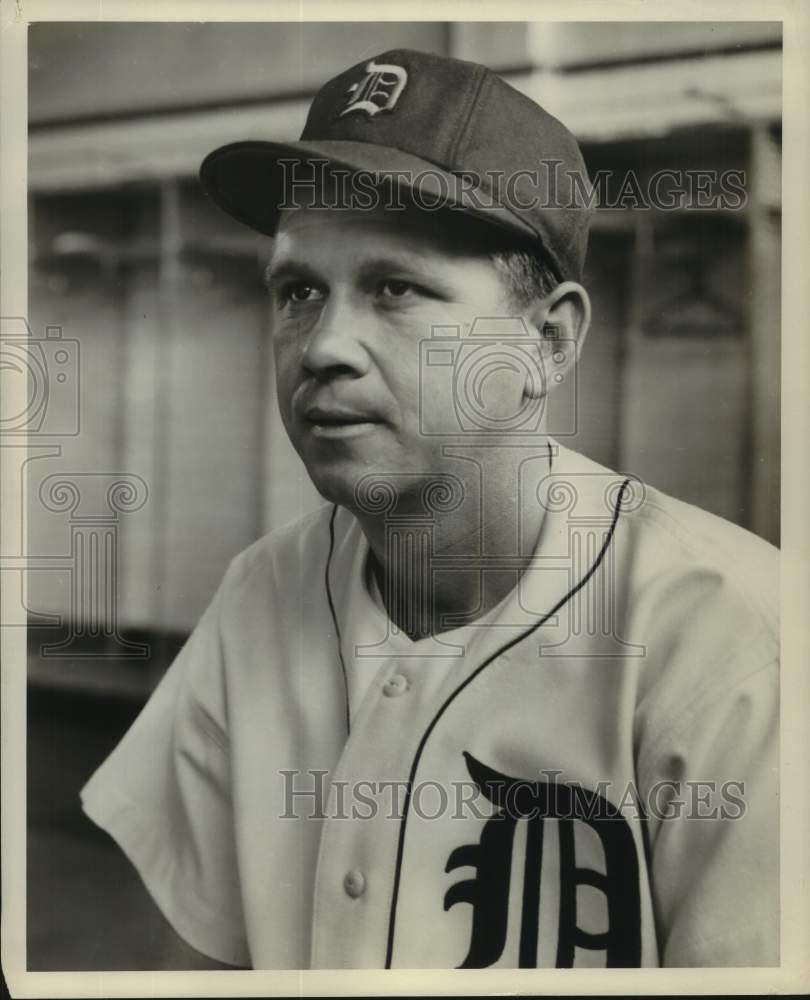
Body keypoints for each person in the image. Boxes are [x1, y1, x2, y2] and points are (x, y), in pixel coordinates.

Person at [80, 48, 779, 970]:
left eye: (396, 288)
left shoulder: (739, 640)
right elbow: (201, 965)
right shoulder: (260, 593)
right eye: (298, 291)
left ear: (549, 340)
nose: (323, 345)